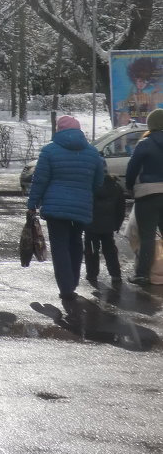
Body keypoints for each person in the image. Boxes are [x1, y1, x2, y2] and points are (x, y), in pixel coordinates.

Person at [27, 115, 105, 305]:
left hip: (55, 208)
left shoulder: (49, 151)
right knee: (76, 242)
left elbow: (40, 180)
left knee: (60, 246)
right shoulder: (93, 153)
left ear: (58, 130)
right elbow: (99, 182)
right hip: (81, 207)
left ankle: (66, 287)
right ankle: (73, 280)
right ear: (79, 131)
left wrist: (32, 203)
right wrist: (85, 194)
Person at [124, 107, 163, 285]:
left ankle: (142, 274)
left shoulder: (145, 143)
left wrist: (129, 186)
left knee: (147, 236)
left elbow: (132, 168)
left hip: (148, 194)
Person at [85, 174, 125, 285]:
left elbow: (84, 205)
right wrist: (118, 224)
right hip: (108, 226)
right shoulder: (116, 187)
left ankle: (92, 274)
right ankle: (115, 274)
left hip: (91, 224)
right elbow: (121, 208)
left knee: (92, 249)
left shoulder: (89, 186)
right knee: (110, 249)